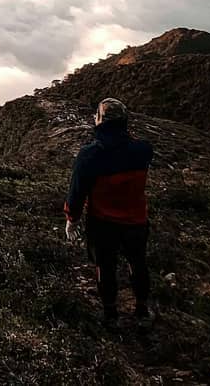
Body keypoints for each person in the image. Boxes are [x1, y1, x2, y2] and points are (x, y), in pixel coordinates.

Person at [64, 98, 154, 331]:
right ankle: (142, 308)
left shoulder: (90, 155)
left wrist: (71, 219)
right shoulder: (143, 150)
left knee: (105, 266)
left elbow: (77, 191)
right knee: (138, 263)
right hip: (136, 220)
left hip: (103, 222)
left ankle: (110, 314)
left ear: (99, 120)